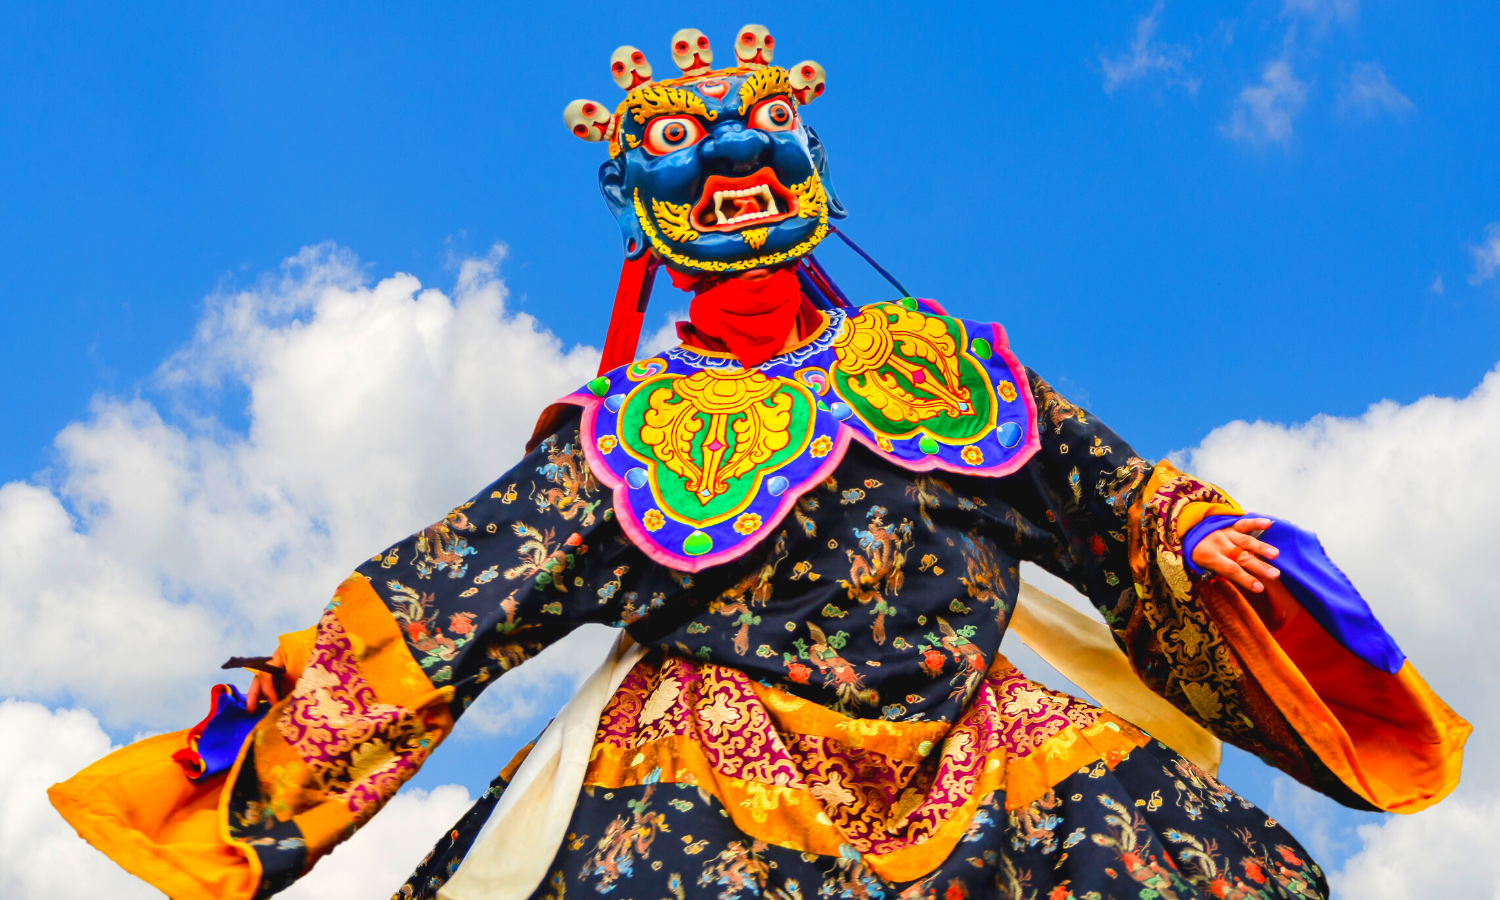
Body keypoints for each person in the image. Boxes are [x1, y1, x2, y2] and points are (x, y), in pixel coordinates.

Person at [52, 26, 1468, 900]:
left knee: (1170, 862)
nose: (728, 155)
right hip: (719, 766)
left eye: (758, 130)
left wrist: (1184, 525)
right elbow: (448, 608)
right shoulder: (622, 440)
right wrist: (270, 719)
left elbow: (1094, 486)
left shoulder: (936, 365)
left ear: (810, 166)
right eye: (675, 143)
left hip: (986, 744)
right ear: (639, 201)